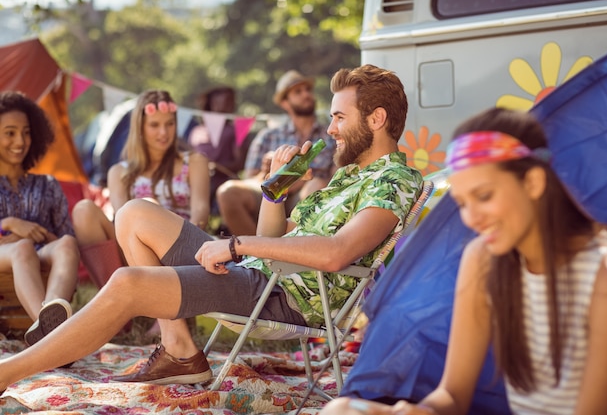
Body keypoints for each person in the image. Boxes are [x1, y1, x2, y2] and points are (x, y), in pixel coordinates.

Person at [0, 64, 422, 391]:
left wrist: (236, 246)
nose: (330, 129)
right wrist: (275, 191)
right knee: (133, 212)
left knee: (129, 283)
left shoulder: (393, 181)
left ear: (376, 119)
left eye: (339, 118)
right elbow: (279, 238)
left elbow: (336, 253)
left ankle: (9, 372)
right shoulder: (349, 177)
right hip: (260, 274)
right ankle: (180, 350)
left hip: (281, 295)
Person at [320, 108, 607, 415]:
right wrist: (418, 411)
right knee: (342, 409)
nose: (471, 218)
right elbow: (453, 395)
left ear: (533, 182)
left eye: (484, 196)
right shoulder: (483, 259)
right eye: (463, 203)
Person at [71, 90, 211, 288]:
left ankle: (162, 299)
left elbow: (201, 213)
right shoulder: (119, 171)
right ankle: (117, 296)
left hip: (182, 247)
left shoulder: (194, 161)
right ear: (140, 127)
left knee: (146, 207)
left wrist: (184, 248)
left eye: (169, 124)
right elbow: (122, 225)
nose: (164, 132)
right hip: (134, 248)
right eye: (155, 125)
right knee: (83, 210)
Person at [0, 91, 79, 347]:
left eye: (26, 132)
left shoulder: (47, 184)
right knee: (21, 248)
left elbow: (65, 235)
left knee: (67, 243)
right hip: (5, 256)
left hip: (41, 253)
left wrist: (43, 235)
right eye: (10, 132)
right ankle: (54, 341)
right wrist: (9, 224)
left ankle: (48, 319)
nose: (20, 141)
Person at [216, 69, 336, 235]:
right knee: (227, 192)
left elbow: (337, 178)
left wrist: (303, 179)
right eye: (297, 92)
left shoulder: (331, 135)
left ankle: (289, 252)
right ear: (284, 103)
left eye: (308, 89)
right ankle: (255, 253)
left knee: (317, 186)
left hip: (307, 196)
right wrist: (271, 172)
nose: (306, 94)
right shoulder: (267, 136)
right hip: (270, 193)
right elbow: (250, 179)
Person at [187, 86, 245, 207]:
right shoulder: (197, 131)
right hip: (194, 182)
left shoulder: (237, 129)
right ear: (213, 103)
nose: (231, 104)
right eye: (227, 100)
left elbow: (240, 163)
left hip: (223, 184)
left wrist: (215, 167)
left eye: (232, 101)